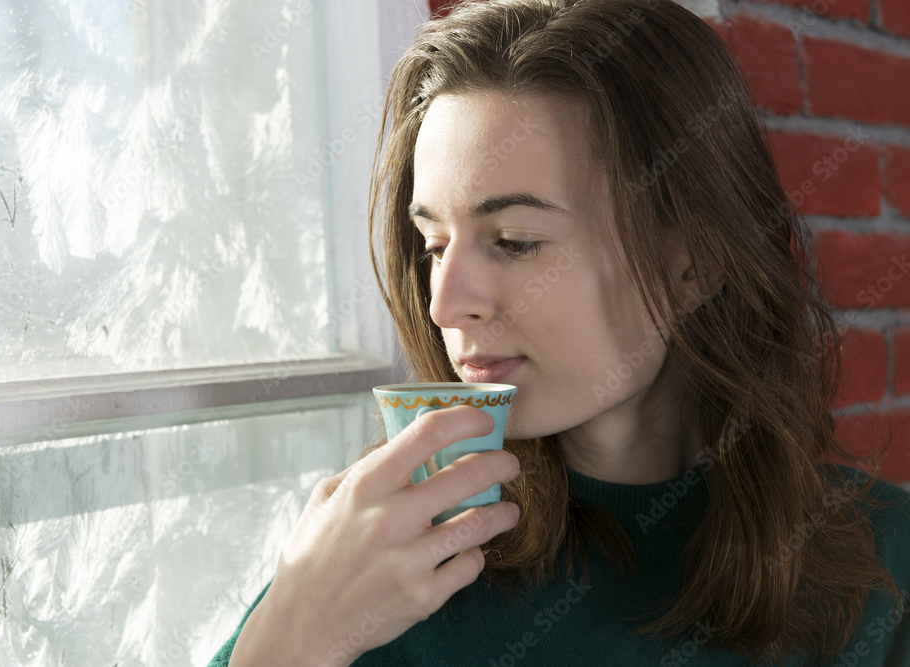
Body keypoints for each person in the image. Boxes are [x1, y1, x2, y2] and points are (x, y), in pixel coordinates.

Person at [210, 0, 910, 664]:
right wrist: (287, 637)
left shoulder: (886, 563)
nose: (445, 305)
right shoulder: (378, 562)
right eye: (432, 246)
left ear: (694, 265)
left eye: (514, 241)